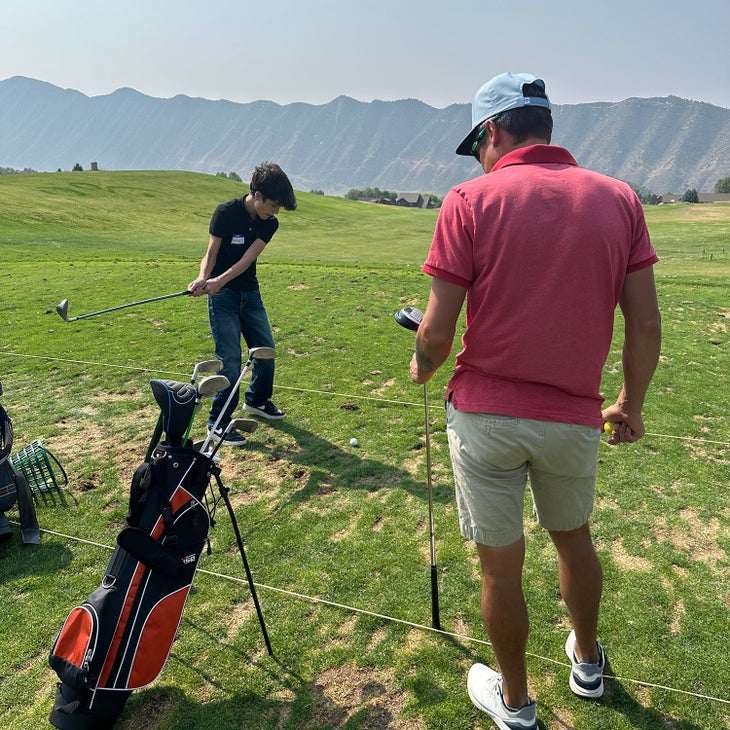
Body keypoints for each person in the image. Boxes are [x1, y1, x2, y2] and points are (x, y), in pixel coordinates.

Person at [409, 72, 661, 729]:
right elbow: (646, 324)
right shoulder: (620, 199)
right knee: (574, 541)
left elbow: (435, 333)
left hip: (485, 416)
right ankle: (585, 661)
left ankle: (517, 703)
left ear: (493, 132)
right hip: (573, 418)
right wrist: (630, 405)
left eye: (477, 145)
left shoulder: (468, 200)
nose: (478, 160)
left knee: (501, 566)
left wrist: (420, 364)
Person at [188, 162, 297, 446]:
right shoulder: (225, 212)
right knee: (231, 362)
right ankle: (219, 423)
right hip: (221, 299)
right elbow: (210, 254)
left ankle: (257, 401)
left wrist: (218, 281)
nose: (276, 211)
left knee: (266, 351)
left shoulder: (269, 223)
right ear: (258, 195)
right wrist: (203, 279)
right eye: (274, 204)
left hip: (249, 293)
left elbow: (245, 261)